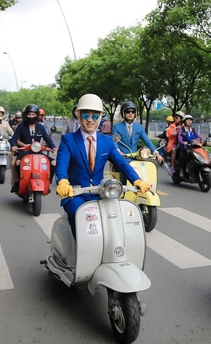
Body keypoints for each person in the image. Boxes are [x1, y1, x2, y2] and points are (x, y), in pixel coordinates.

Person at [55, 94, 151, 238]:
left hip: (101, 193)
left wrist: (137, 180)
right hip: (76, 194)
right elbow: (62, 162)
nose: (90, 120)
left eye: (94, 116)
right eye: (86, 115)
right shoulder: (68, 140)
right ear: (79, 115)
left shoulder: (107, 141)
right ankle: (78, 255)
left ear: (99, 118)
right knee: (79, 218)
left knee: (115, 218)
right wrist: (62, 180)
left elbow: (121, 163)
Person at [9, 104, 57, 193]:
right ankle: (17, 183)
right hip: (23, 152)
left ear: (37, 115)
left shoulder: (41, 127)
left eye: (33, 114)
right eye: (29, 114)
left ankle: (48, 183)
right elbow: (14, 138)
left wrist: (53, 147)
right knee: (17, 162)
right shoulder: (21, 126)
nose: (31, 116)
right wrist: (14, 146)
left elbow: (48, 139)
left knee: (54, 163)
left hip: (37, 152)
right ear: (26, 115)